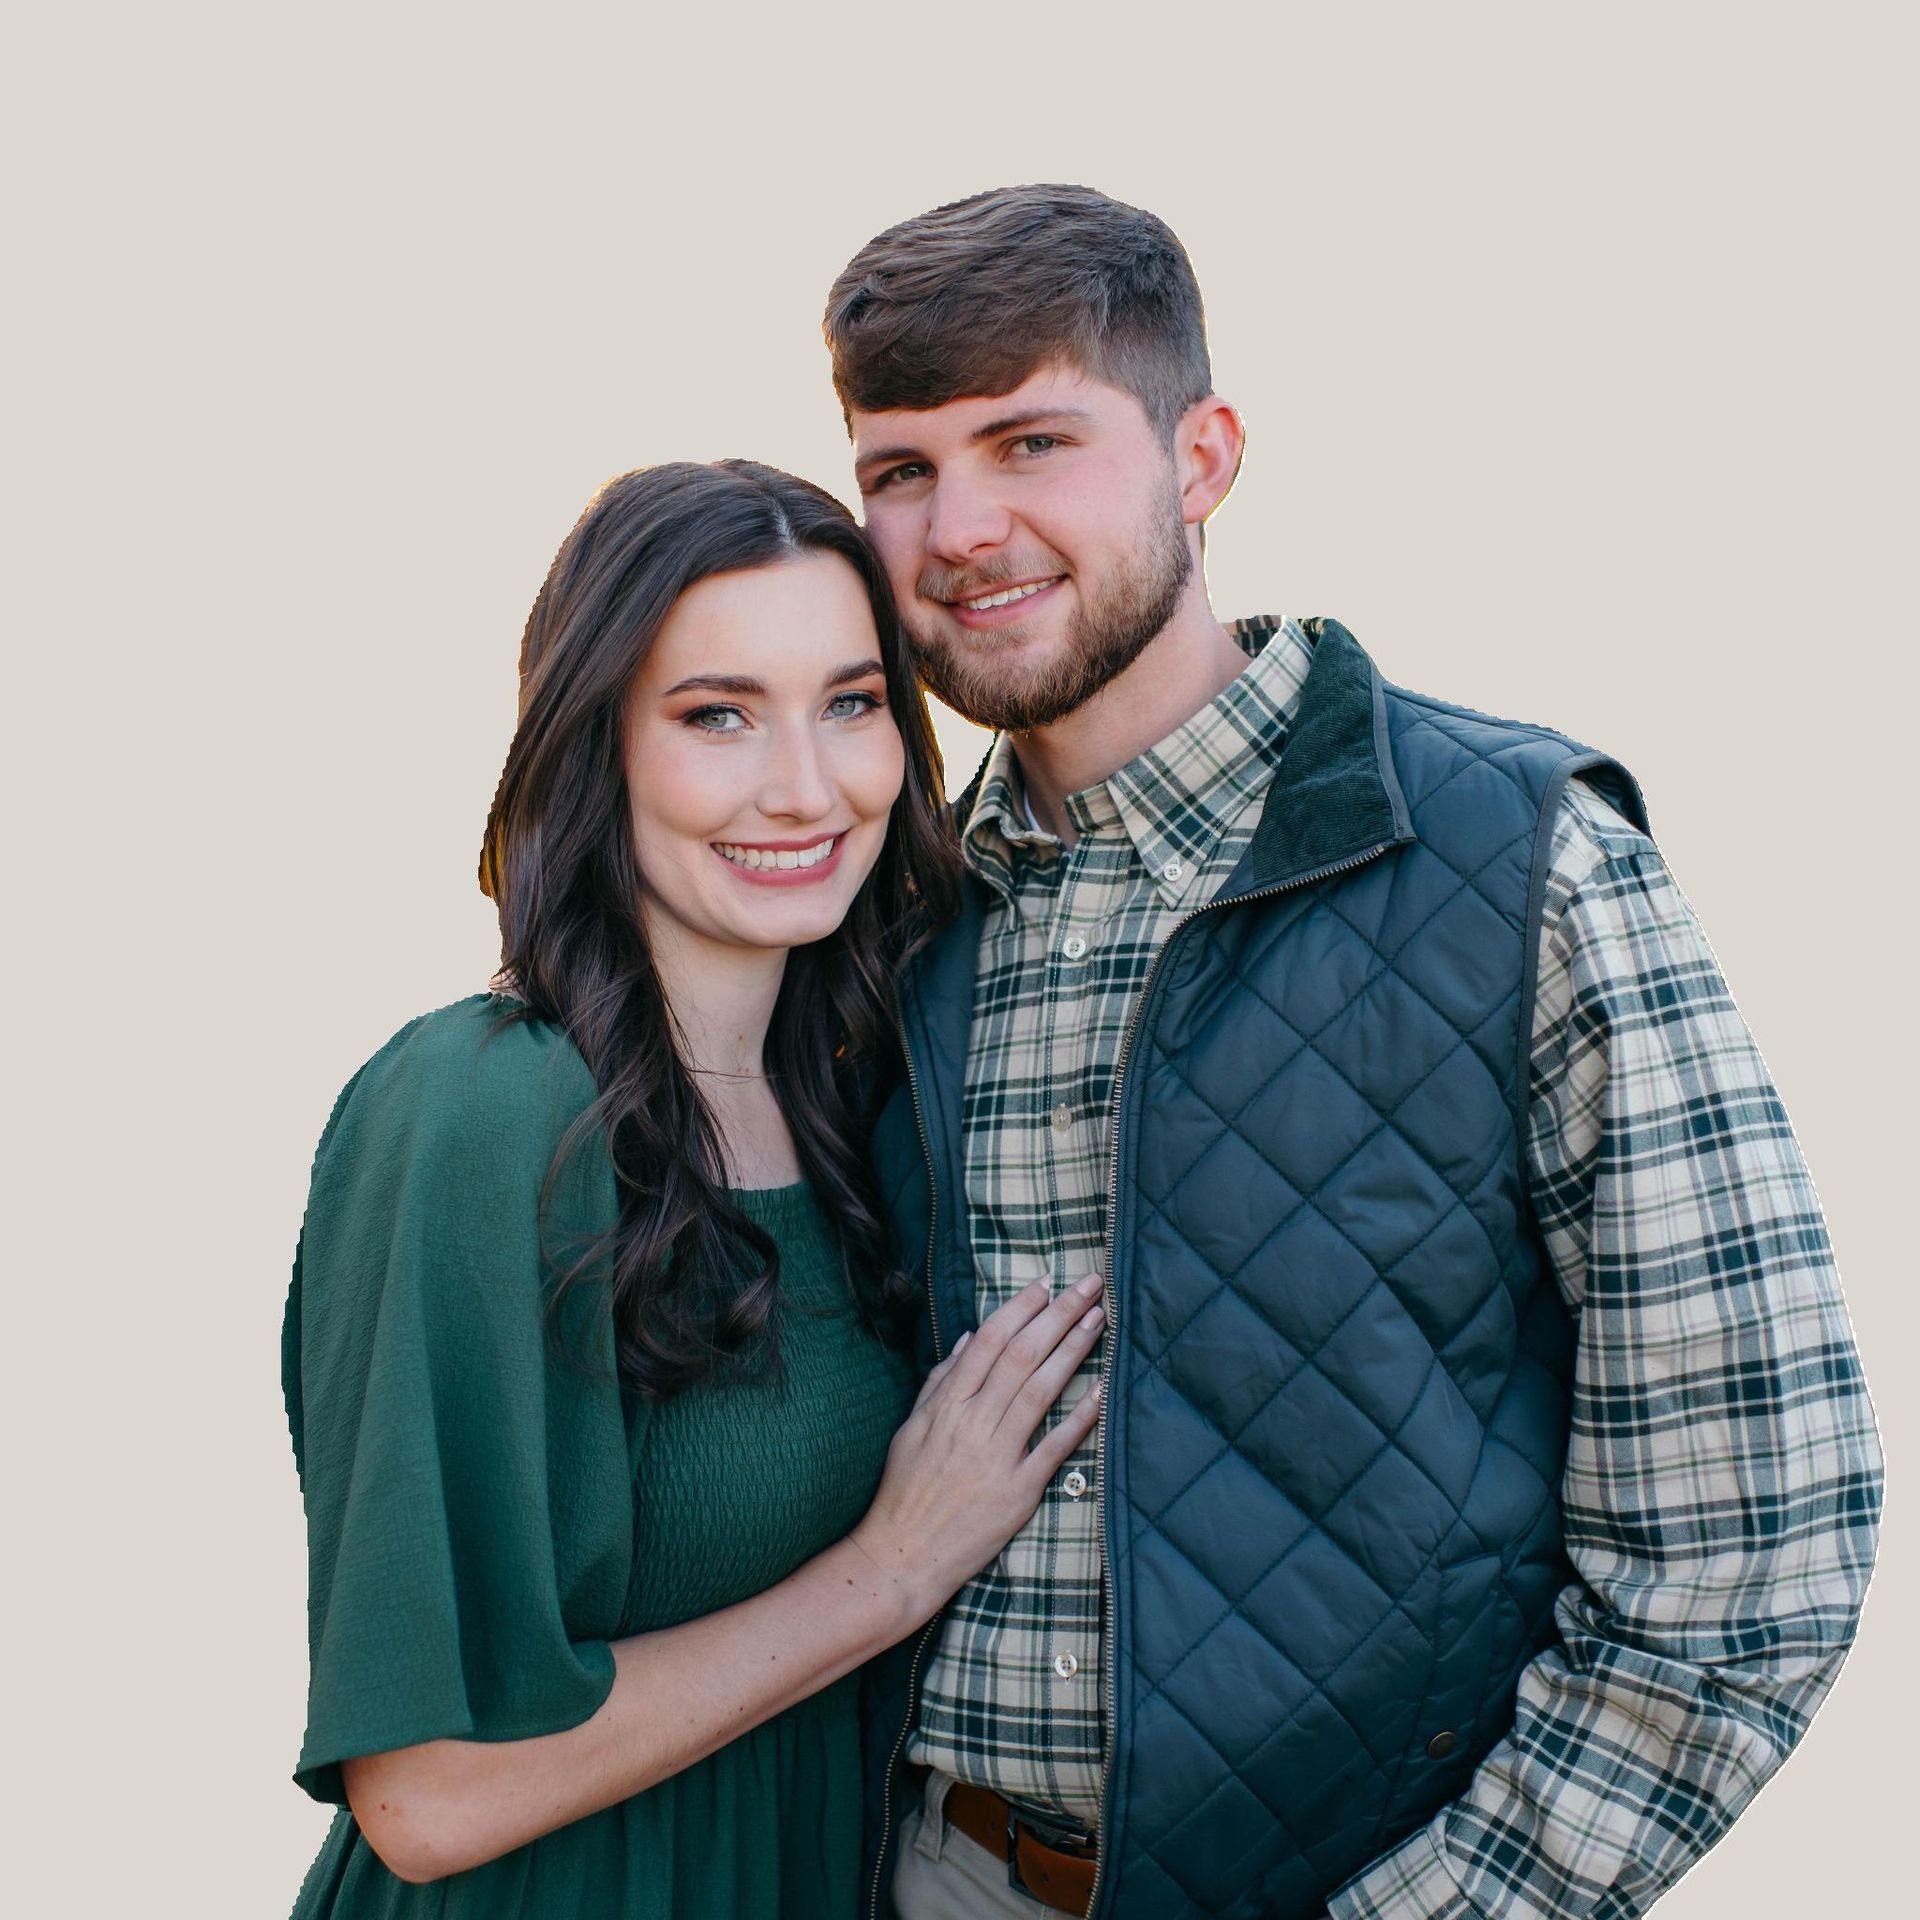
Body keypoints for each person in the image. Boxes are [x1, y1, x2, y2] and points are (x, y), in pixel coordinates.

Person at [825, 186, 1885, 1920]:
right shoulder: (887, 918)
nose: (962, 527)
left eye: (1033, 441)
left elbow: (1746, 1544)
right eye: (901, 470)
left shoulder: (1519, 855)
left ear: (1203, 458)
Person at [281, 460, 1111, 1917]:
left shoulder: (856, 1097)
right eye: (717, 715)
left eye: (852, 704)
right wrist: (888, 1573)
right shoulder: (480, 1109)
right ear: (595, 748)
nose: (806, 786)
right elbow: (424, 1789)